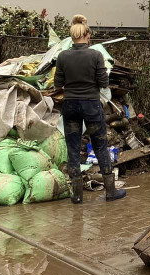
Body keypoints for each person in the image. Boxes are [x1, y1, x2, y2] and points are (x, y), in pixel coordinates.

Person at [53, 14, 126, 203]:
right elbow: (103, 83)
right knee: (100, 145)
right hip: (91, 106)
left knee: (73, 148)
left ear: (72, 36)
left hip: (70, 107)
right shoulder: (95, 55)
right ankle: (110, 191)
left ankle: (77, 195)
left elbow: (58, 83)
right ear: (87, 35)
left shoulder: (62, 56)